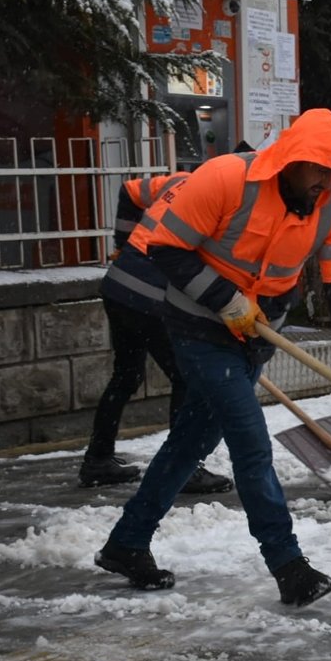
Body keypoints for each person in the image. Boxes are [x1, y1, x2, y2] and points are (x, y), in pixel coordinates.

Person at [94, 109, 331, 608]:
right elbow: (166, 247)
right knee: (251, 442)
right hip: (197, 325)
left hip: (257, 333)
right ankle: (289, 566)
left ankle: (127, 542)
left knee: (189, 443)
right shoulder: (228, 177)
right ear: (291, 159)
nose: (324, 182)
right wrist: (226, 299)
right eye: (317, 169)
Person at [79, 172, 233, 495]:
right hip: (151, 297)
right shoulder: (225, 204)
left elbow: (129, 190)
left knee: (125, 376)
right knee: (186, 379)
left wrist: (122, 245)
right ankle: (183, 468)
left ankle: (98, 460)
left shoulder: (179, 180)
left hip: (118, 286)